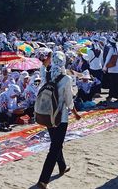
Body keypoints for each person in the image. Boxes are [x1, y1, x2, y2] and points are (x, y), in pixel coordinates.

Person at [37, 51, 82, 189]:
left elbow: (42, 66)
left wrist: (47, 60)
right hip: (60, 117)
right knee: (55, 146)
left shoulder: (46, 74)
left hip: (47, 114)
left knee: (56, 142)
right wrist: (75, 113)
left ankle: (62, 166)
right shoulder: (66, 79)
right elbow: (69, 101)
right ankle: (43, 179)